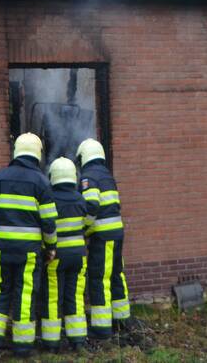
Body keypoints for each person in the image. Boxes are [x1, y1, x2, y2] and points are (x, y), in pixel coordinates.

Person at [0, 133, 57, 359]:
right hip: (29, 252)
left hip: (2, 249)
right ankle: (22, 347)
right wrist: (51, 247)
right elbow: (49, 222)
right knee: (24, 295)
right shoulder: (41, 182)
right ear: (37, 154)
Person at [76, 138, 130, 339]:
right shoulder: (107, 175)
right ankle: (121, 319)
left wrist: (85, 228)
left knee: (99, 278)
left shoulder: (89, 177)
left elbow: (91, 206)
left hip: (103, 236)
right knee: (117, 274)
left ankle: (101, 328)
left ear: (84, 157)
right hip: (116, 233)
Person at [40, 157, 89, 352]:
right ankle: (77, 341)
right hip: (78, 256)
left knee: (53, 298)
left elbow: (46, 226)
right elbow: (86, 223)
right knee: (75, 297)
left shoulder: (50, 198)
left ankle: (51, 343)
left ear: (53, 176)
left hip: (56, 257)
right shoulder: (80, 198)